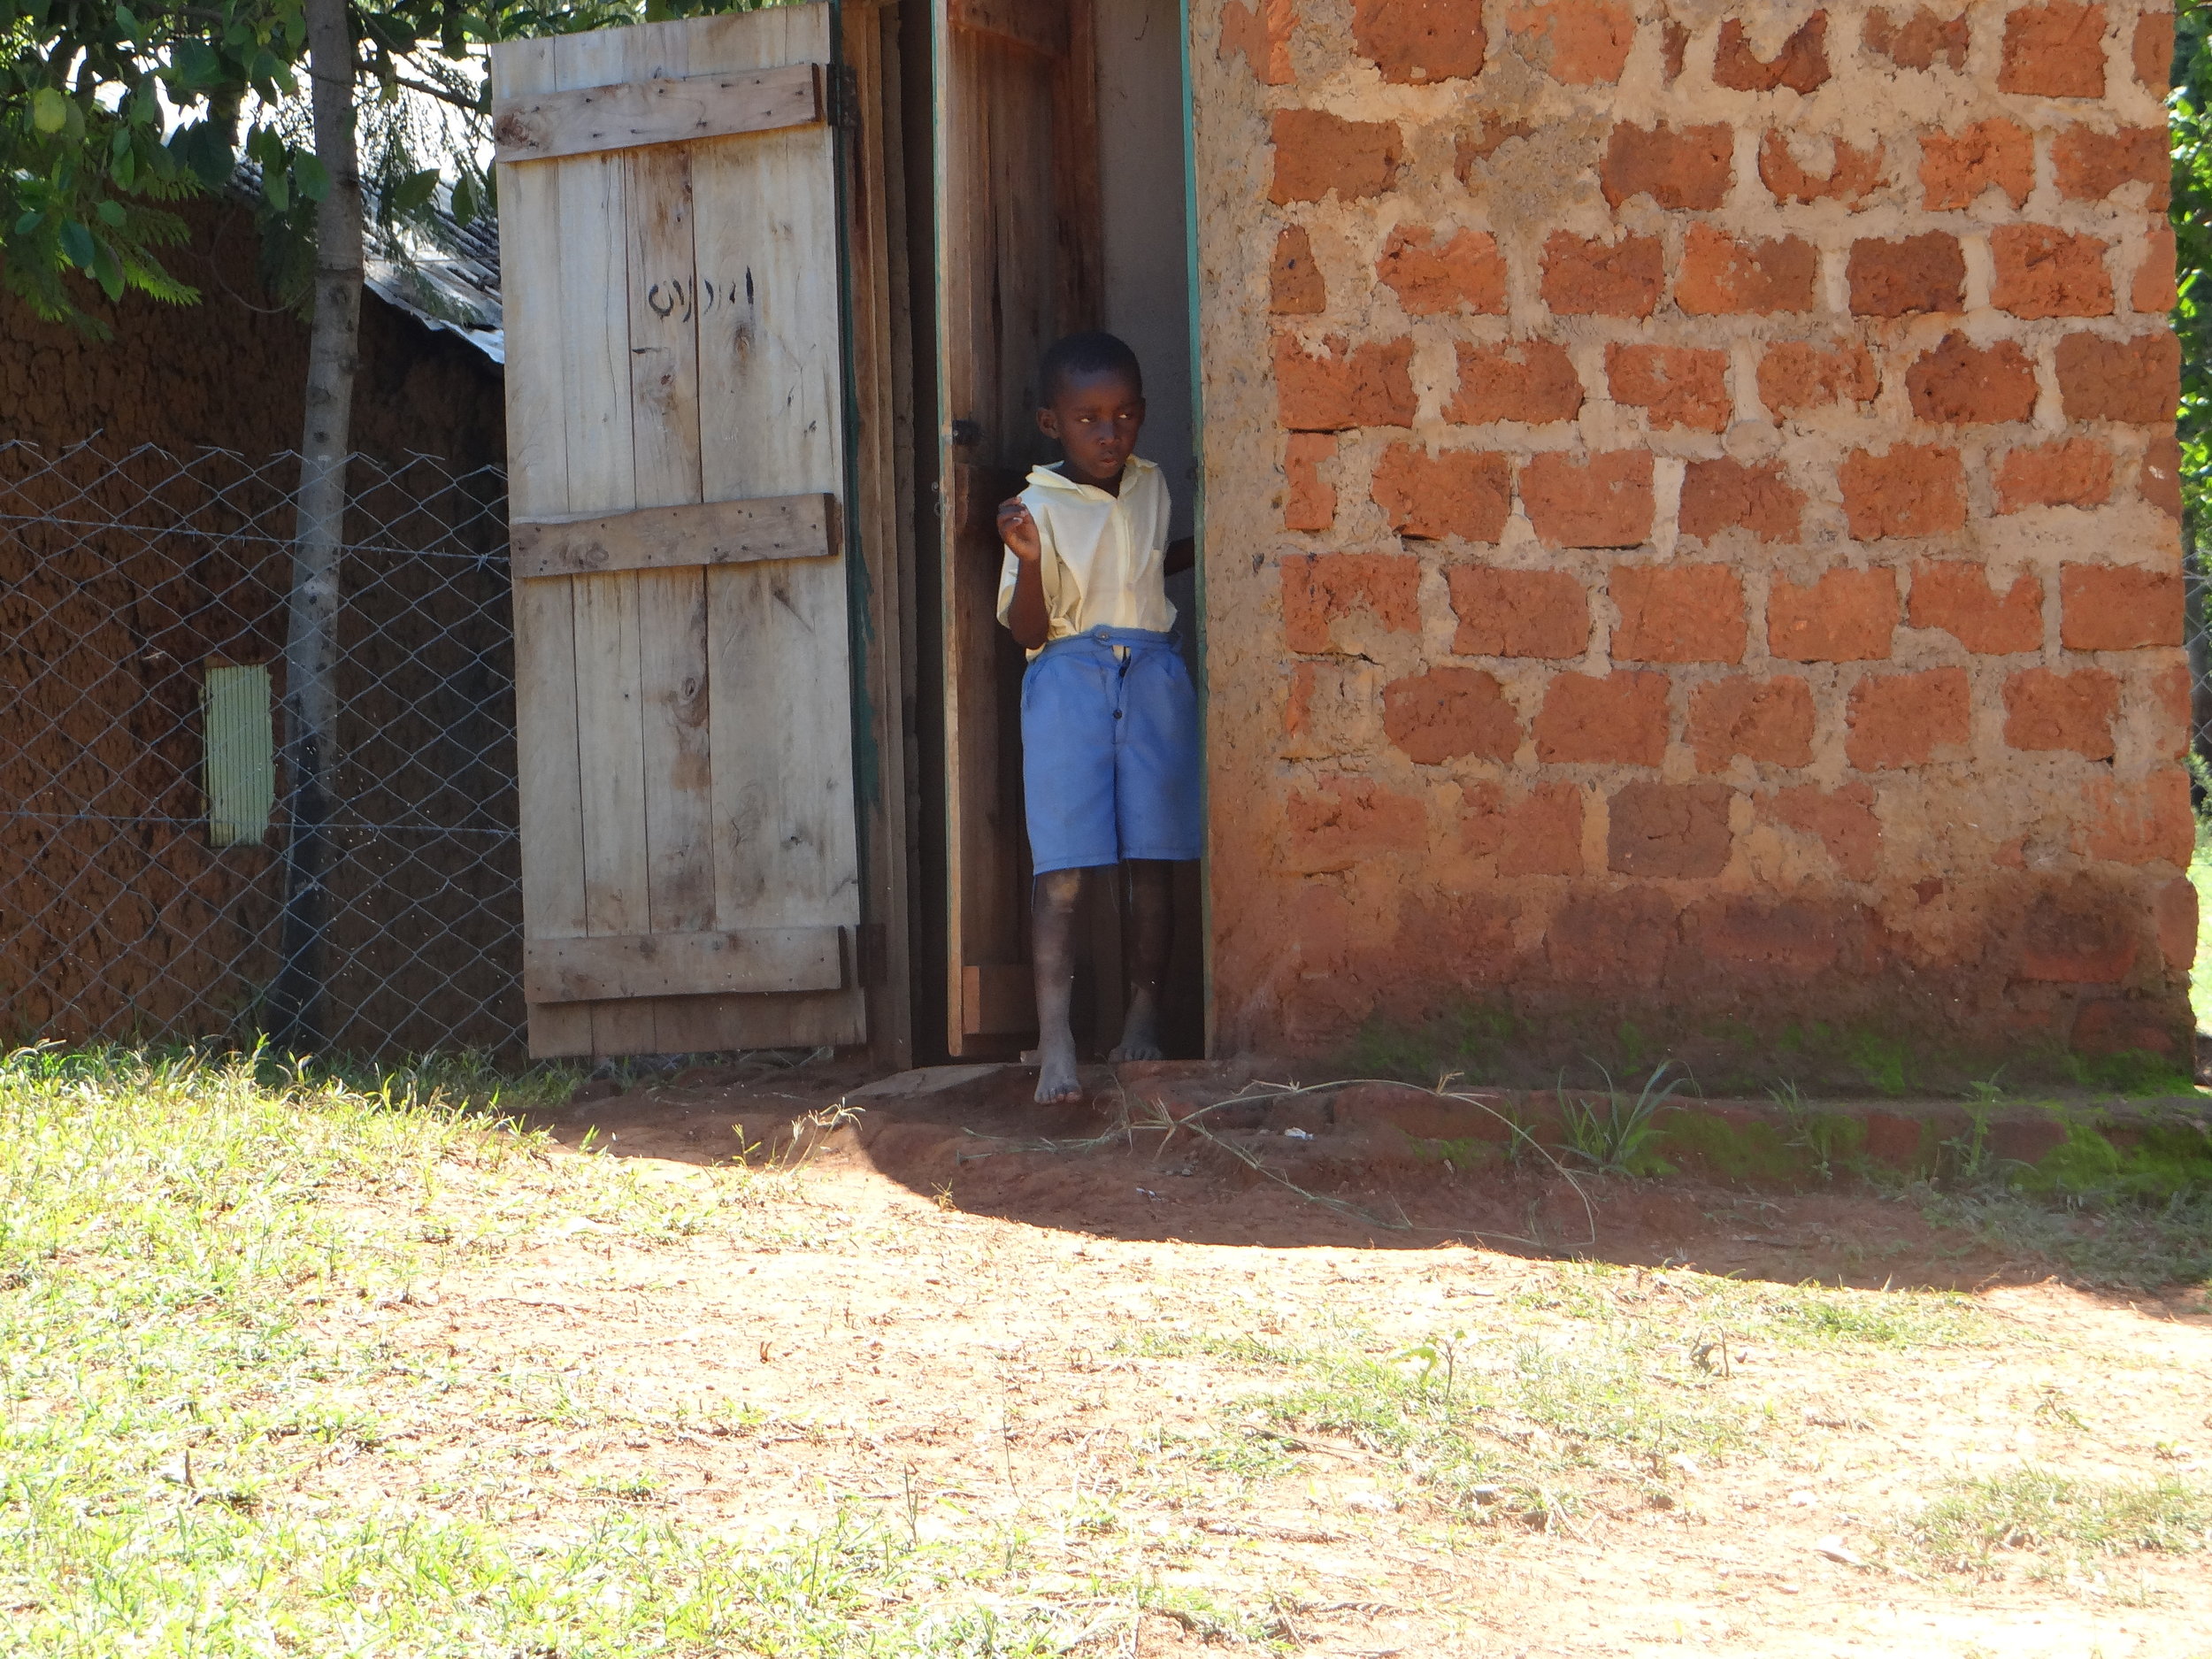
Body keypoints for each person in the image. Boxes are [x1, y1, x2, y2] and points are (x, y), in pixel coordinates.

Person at [995, 331, 1199, 1105]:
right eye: (1088, 418)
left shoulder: (1151, 485)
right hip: (1069, 676)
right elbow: (1026, 631)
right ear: (1053, 423)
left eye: (1123, 416)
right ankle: (1057, 1039)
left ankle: (1145, 1012)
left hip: (1151, 671)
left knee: (1155, 855)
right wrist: (1032, 558)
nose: (1108, 433)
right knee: (1066, 870)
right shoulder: (1032, 508)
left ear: (1142, 415)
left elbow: (1142, 566)